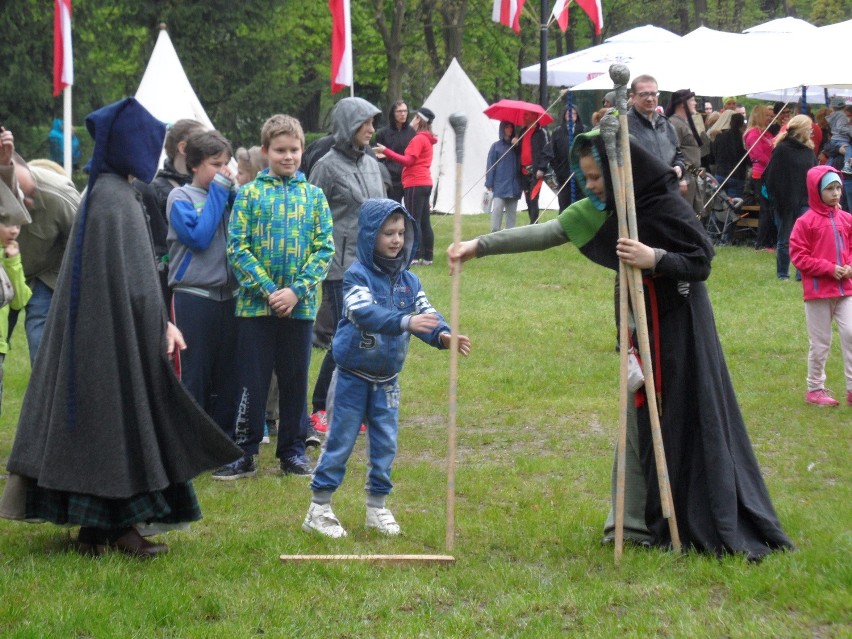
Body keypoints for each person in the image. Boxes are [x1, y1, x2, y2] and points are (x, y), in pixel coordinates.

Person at [447, 127, 794, 561]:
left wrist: (656, 258)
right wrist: (477, 245)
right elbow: (548, 232)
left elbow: (701, 258)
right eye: (587, 177)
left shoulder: (661, 202)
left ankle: (686, 515)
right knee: (638, 420)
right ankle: (630, 523)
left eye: (596, 178)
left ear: (619, 174)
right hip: (638, 323)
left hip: (679, 326)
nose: (590, 186)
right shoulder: (599, 208)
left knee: (678, 417)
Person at [0, 97, 242, 558]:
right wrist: (163, 327)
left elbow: (132, 280)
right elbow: (137, 286)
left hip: (96, 337)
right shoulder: (117, 201)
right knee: (117, 423)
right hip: (110, 340)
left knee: (101, 422)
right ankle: (118, 527)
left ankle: (96, 529)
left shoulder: (103, 193)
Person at [302, 198, 471, 537]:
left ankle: (376, 508)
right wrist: (407, 321)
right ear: (369, 236)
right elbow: (365, 313)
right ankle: (318, 508)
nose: (396, 239)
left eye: (401, 232)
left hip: (388, 381)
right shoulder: (355, 277)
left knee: (385, 446)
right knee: (340, 441)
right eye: (387, 233)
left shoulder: (410, 282)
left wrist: (443, 335)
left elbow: (427, 314)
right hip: (352, 377)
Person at [221, 114, 334, 479]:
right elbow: (237, 248)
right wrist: (270, 291)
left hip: (299, 311)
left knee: (294, 378)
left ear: (302, 150)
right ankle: (245, 450)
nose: (288, 157)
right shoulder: (249, 194)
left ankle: (293, 451)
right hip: (256, 308)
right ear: (265, 151)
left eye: (294, 150)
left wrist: (296, 292)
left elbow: (323, 249)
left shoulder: (314, 197)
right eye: (280, 150)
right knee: (251, 380)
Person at [308, 97, 386, 435]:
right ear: (346, 126)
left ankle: (354, 406)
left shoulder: (371, 163)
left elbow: (382, 209)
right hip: (340, 268)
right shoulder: (325, 166)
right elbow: (309, 215)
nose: (371, 129)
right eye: (364, 123)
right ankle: (320, 408)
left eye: (373, 122)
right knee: (347, 335)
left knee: (367, 336)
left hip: (372, 265)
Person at [166, 130, 239, 433]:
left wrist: (232, 195)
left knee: (227, 374)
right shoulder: (179, 197)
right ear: (194, 164)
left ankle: (222, 440)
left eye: (226, 163)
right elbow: (199, 237)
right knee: (193, 373)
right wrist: (221, 193)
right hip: (193, 298)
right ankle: (188, 441)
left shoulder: (228, 195)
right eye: (214, 164)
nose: (222, 171)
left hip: (229, 297)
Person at [0, 130, 80, 365]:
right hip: (7, 268)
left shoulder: (59, 195)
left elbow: (82, 242)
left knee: (41, 341)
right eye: (20, 199)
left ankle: (44, 392)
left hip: (46, 274)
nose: (28, 206)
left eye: (31, 194)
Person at [789, 167, 852, 407]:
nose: (836, 193)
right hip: (818, 293)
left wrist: (849, 266)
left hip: (846, 289)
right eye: (829, 188)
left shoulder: (847, 219)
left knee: (851, 333)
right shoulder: (805, 222)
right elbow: (799, 256)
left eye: (838, 187)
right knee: (820, 341)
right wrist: (828, 268)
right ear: (816, 190)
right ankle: (815, 388)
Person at [134, 119, 207, 306]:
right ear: (183, 147)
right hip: (169, 283)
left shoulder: (211, 187)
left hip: (207, 282)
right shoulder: (150, 188)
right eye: (203, 141)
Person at [374, 106, 437, 265]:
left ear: (419, 120)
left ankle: (414, 255)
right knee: (424, 221)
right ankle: (427, 256)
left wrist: (386, 151)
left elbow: (408, 161)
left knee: (414, 220)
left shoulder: (418, 139)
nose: (412, 120)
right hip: (425, 182)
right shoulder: (427, 139)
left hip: (415, 182)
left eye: (415, 117)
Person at [763, 115, 816, 280]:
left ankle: (802, 274)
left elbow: (814, 175)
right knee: (785, 239)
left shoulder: (809, 151)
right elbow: (771, 177)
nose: (812, 131)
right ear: (801, 129)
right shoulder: (782, 149)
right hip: (785, 201)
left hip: (805, 201)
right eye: (809, 128)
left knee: (805, 240)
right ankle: (783, 274)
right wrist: (779, 198)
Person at [626, 75, 687, 193]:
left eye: (654, 94)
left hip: (669, 192)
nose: (650, 99)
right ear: (633, 97)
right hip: (642, 196)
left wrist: (679, 167)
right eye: (644, 94)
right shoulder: (624, 126)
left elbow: (678, 155)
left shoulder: (666, 123)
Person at [0, 216, 32, 415]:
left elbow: (19, 301)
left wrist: (13, 262)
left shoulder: (10, 254)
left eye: (18, 226)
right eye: (8, 224)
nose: (14, 231)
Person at [666, 89, 704, 215]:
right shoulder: (674, 123)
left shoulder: (683, 123)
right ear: (683, 103)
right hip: (684, 179)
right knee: (684, 216)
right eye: (692, 100)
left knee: (694, 216)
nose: (695, 103)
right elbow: (672, 154)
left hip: (691, 176)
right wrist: (681, 178)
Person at [744, 105, 777, 250]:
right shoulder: (753, 134)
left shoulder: (765, 133)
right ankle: (761, 242)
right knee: (766, 208)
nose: (770, 118)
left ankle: (767, 241)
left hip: (768, 173)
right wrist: (774, 164)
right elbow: (758, 155)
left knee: (769, 208)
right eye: (767, 115)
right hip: (761, 174)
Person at [544, 105, 586, 212]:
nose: (571, 115)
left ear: (577, 115)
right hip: (563, 175)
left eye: (573, 113)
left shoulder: (583, 130)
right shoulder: (558, 132)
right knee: (564, 205)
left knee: (580, 204)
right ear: (564, 116)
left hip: (580, 175)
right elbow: (551, 153)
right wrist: (558, 170)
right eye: (568, 113)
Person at [375, 100, 415, 203]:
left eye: (405, 111)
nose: (403, 114)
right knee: (393, 209)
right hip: (391, 178)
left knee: (410, 210)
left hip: (408, 176)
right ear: (393, 113)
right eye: (399, 111)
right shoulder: (383, 133)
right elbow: (378, 157)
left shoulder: (411, 132)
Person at [485, 121, 522, 232]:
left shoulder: (518, 146)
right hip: (499, 184)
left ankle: (509, 238)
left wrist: (517, 146)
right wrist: (489, 183)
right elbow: (490, 165)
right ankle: (494, 234)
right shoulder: (496, 146)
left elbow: (522, 161)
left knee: (511, 214)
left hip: (514, 185)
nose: (509, 129)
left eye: (511, 126)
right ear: (502, 129)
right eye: (507, 127)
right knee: (497, 210)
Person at [516, 111, 549, 224]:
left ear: (534, 116)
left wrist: (542, 168)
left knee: (533, 198)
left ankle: (534, 224)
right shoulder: (522, 132)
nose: (524, 117)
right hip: (523, 172)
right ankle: (533, 222)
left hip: (536, 172)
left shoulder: (541, 133)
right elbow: (519, 152)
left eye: (526, 115)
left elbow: (547, 152)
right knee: (527, 199)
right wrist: (515, 144)